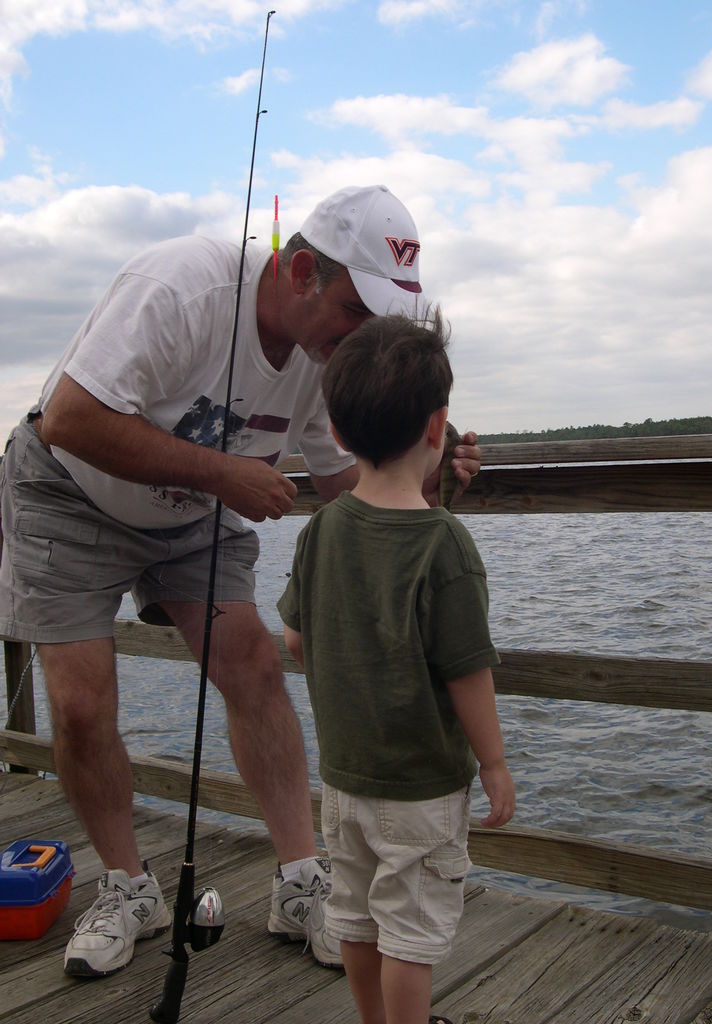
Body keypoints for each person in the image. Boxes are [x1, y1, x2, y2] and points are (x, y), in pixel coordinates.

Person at [0, 185, 483, 978]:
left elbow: (352, 492)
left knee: (254, 666)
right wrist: (227, 472)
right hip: (69, 491)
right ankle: (128, 889)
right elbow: (70, 420)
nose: (365, 338)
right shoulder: (182, 287)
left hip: (194, 511)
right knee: (83, 704)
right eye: (357, 311)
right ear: (300, 272)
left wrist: (437, 469)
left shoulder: (332, 363)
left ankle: (300, 881)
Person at [277, 311, 516, 1024]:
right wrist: (495, 764)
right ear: (438, 426)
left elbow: (293, 640)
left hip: (344, 783)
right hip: (421, 790)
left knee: (354, 918)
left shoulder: (321, 526)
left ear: (341, 435)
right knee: (411, 937)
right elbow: (467, 671)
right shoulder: (444, 543)